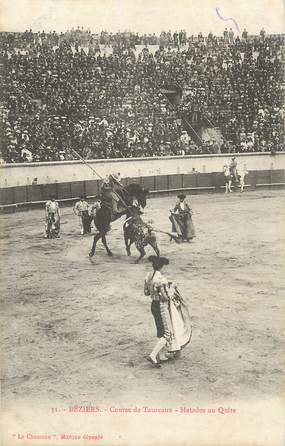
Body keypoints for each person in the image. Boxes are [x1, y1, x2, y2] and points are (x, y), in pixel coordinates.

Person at [144, 256, 192, 367]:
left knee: (160, 330)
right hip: (162, 307)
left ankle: (160, 356)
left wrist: (159, 289)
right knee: (167, 333)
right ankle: (153, 355)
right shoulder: (161, 280)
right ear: (162, 267)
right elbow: (166, 297)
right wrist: (171, 288)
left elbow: (146, 293)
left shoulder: (148, 277)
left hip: (153, 305)